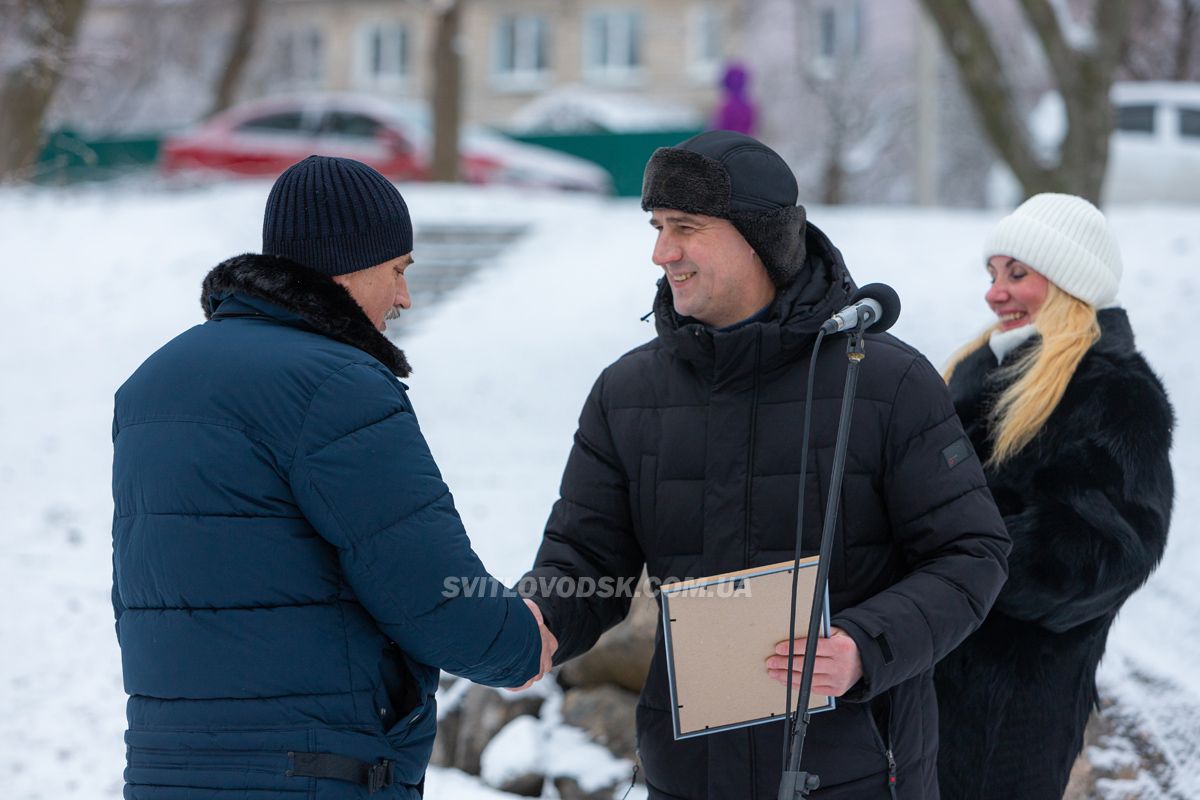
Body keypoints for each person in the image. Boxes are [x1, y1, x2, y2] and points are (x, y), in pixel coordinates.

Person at [521, 130, 1011, 798]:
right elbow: (585, 563)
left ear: (758, 239)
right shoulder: (628, 393)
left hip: (858, 775)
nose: (662, 252)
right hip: (688, 778)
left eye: (686, 227)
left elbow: (972, 555)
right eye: (659, 227)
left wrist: (864, 646)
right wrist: (537, 622)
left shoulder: (888, 382)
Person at [111, 155, 556, 800]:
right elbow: (424, 587)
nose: (404, 296)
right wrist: (517, 642)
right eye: (398, 271)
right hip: (311, 772)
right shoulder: (335, 384)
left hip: (165, 770)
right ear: (347, 262)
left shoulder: (152, 384)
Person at [934, 194, 1174, 799]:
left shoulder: (1113, 390)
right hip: (924, 678)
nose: (995, 292)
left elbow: (1106, 552)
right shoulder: (982, 371)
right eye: (993, 274)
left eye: (1018, 274)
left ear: (1071, 283)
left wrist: (958, 567)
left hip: (1008, 709)